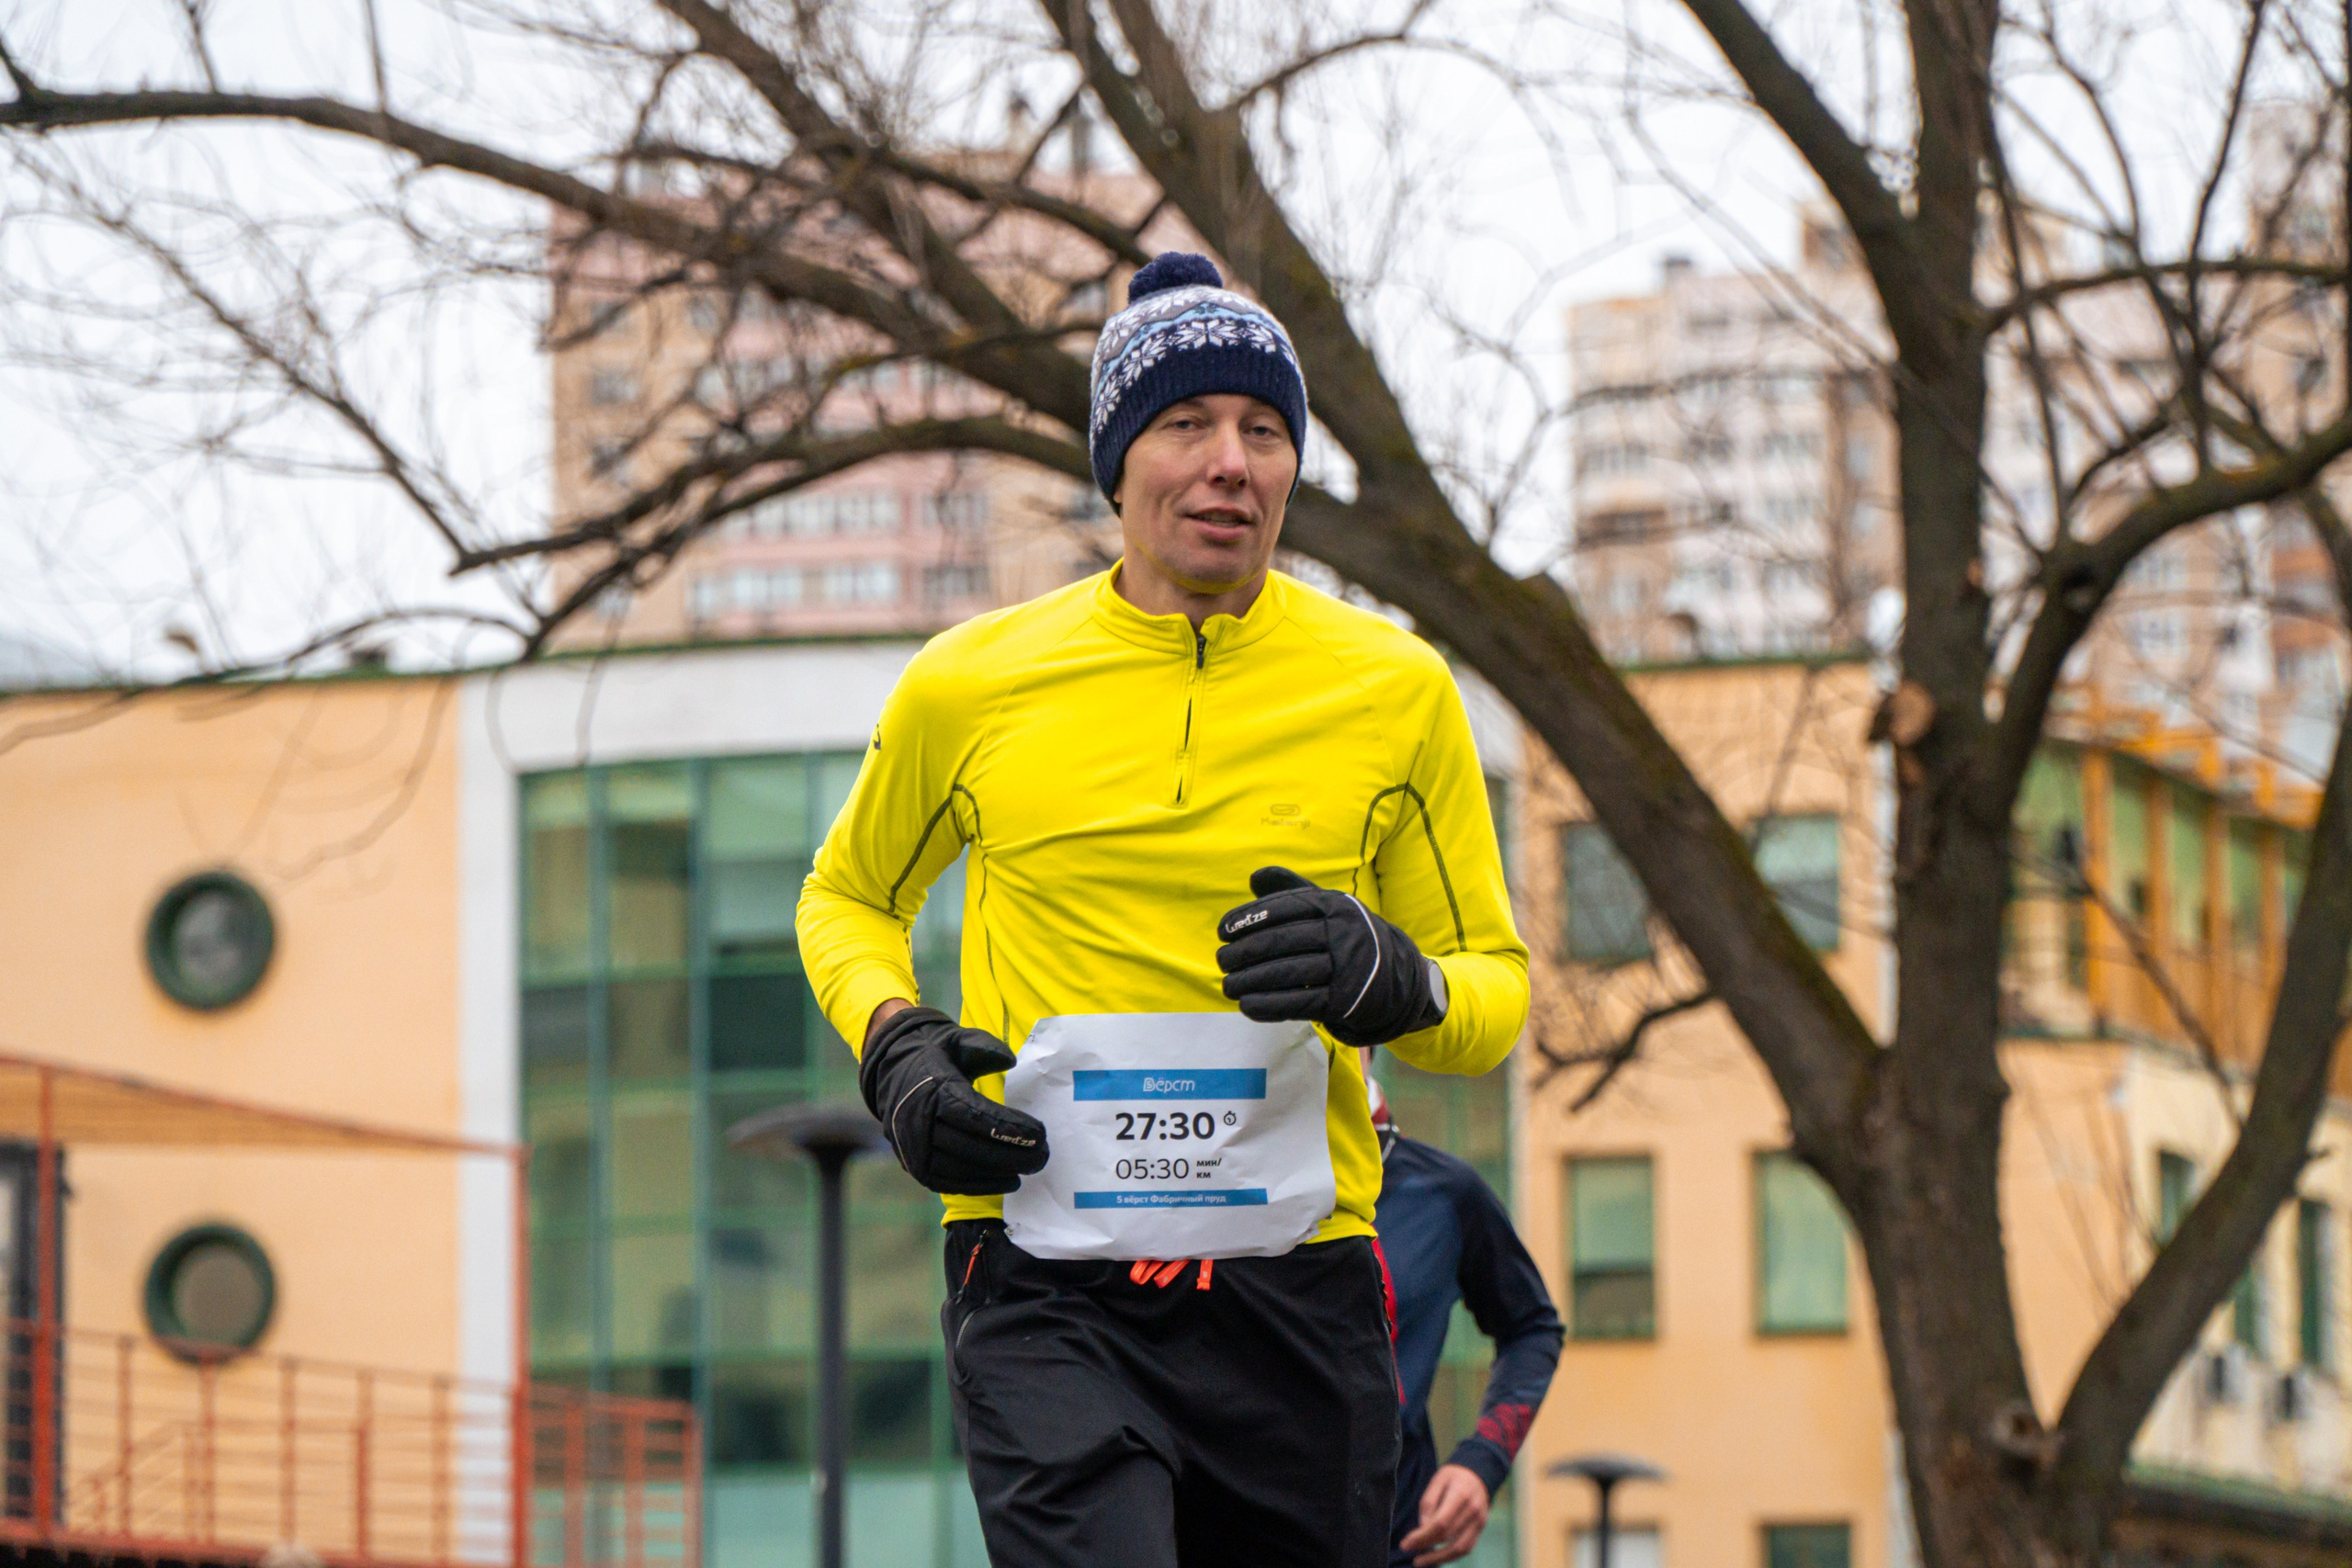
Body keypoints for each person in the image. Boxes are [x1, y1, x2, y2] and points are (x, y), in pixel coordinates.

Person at [796, 251, 1530, 1568]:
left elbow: (1494, 994)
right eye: (1186, 423)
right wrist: (895, 1042)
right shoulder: (970, 685)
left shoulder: (1397, 689)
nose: (1229, 461)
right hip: (1047, 1279)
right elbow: (849, 895)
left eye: (1263, 430)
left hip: (1298, 1294)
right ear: (1119, 461)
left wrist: (1394, 980)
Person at [1363, 1057, 1562, 1566]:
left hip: (1393, 1540)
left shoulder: (1443, 1193)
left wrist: (1484, 1460)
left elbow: (1531, 1329)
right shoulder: (1209, 1189)